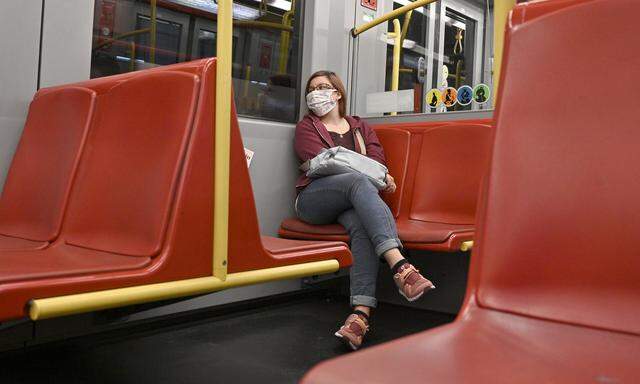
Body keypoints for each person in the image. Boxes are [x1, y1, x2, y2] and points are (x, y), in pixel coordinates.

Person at [294, 70, 435, 351]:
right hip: (315, 200)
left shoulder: (360, 127)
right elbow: (320, 163)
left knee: (361, 224)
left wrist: (361, 167)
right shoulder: (307, 127)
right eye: (311, 89)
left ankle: (360, 315)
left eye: (323, 87)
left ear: (337, 94)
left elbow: (377, 159)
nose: (315, 93)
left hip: (353, 203)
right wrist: (372, 172)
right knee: (357, 180)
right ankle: (400, 266)